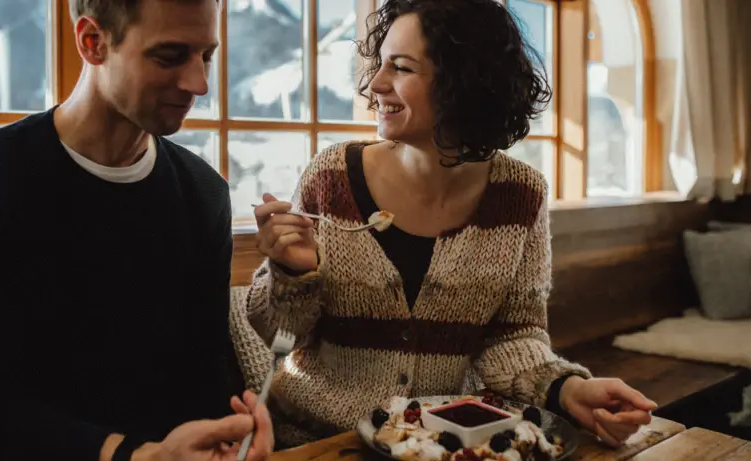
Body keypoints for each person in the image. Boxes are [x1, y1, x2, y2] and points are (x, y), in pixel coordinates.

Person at [244, 0, 656, 449]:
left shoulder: (520, 196)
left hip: (443, 445)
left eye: (401, 68)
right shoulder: (331, 177)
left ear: (465, 81)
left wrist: (569, 390)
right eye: (380, 65)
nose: (375, 85)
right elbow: (276, 332)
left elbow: (514, 338)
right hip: (318, 442)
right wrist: (292, 274)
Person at [0, 1, 273, 460]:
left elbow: (202, 373)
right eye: (169, 56)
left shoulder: (202, 194)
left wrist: (234, 436)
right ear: (92, 42)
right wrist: (130, 455)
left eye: (205, 55)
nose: (199, 84)